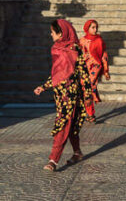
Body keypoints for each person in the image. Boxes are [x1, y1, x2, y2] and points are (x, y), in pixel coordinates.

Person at [33, 19, 93, 171]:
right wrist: (44, 87)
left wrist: (88, 95)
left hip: (71, 96)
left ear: (61, 33)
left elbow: (84, 74)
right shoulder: (56, 49)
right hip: (59, 95)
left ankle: (53, 160)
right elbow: (57, 74)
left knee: (63, 125)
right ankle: (78, 153)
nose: (50, 34)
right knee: (71, 127)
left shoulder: (74, 49)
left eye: (53, 32)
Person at [80, 19, 111, 118]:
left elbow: (104, 55)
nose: (95, 29)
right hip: (84, 68)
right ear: (87, 28)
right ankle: (90, 113)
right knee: (86, 89)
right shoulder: (82, 40)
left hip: (95, 67)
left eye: (96, 27)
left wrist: (106, 70)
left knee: (89, 87)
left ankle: (90, 114)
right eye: (93, 27)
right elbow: (79, 54)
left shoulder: (99, 40)